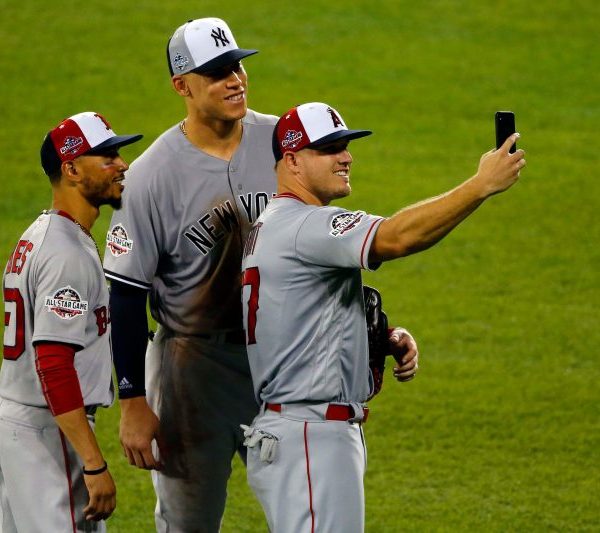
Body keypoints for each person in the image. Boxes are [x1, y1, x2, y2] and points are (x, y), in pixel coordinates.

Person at [103, 17, 418, 532]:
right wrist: (133, 400)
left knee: (304, 511)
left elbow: (327, 245)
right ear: (182, 86)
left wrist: (379, 334)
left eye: (237, 66)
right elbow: (125, 293)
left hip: (282, 364)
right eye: (217, 72)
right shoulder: (150, 176)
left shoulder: (284, 144)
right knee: (188, 521)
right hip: (193, 368)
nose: (235, 80)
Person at [240, 102, 526, 532]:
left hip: (297, 430)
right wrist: (479, 185)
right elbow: (397, 237)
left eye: (346, 146)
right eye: (329, 149)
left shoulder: (274, 224)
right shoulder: (304, 225)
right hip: (310, 435)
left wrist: (379, 335)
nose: (346, 157)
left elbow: (294, 316)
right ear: (292, 161)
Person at [0, 112, 142, 532]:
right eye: (107, 158)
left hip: (21, 421)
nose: (122, 165)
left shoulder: (41, 232)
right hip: (48, 431)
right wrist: (94, 463)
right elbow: (54, 363)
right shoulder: (66, 254)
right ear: (72, 170)